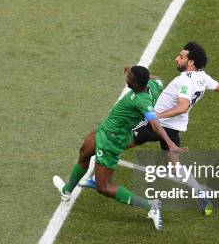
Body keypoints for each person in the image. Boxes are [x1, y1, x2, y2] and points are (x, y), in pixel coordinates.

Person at [82, 42, 219, 215]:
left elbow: (183, 106)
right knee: (175, 166)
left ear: (191, 62)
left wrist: (158, 116)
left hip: (155, 125)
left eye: (181, 57)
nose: (176, 59)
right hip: (174, 128)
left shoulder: (184, 81)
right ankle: (201, 192)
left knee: (112, 142)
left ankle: (100, 181)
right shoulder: (202, 77)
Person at [53, 66, 182, 230]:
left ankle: (150, 205)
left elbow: (155, 123)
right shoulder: (154, 85)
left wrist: (169, 143)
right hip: (105, 130)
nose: (126, 77)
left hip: (111, 141)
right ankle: (67, 191)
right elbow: (157, 79)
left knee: (104, 187)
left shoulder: (142, 101)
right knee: (85, 152)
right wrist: (134, 71)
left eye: (129, 77)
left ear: (135, 85)